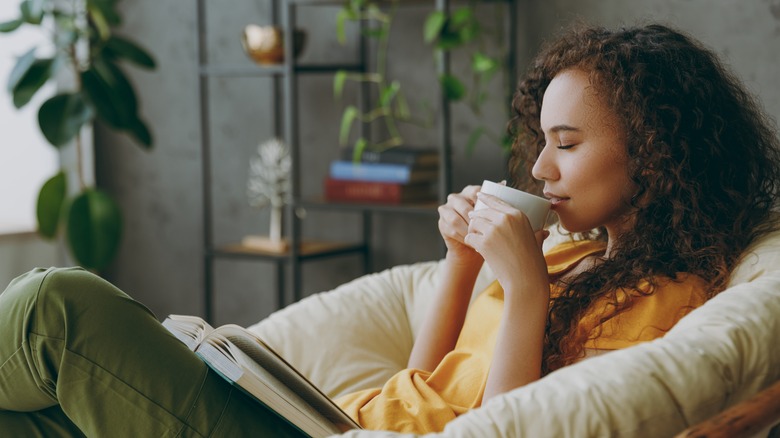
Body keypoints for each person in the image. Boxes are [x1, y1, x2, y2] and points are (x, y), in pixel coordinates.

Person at [1, 23, 779, 437]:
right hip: (343, 421)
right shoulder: (574, 251)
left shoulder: (662, 298)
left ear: (654, 152)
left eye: (567, 144)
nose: (540, 168)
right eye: (541, 140)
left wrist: (528, 291)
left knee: (55, 305)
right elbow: (421, 377)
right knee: (29, 418)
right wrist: (463, 265)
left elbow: (511, 430)